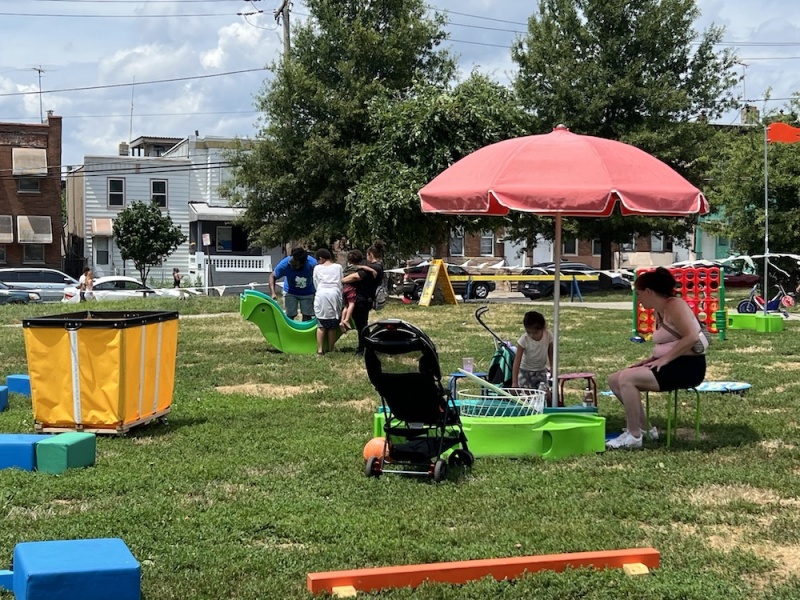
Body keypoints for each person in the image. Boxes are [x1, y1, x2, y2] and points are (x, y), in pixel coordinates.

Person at [606, 267, 707, 449]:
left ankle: (633, 435)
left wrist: (665, 359)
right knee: (614, 379)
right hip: (670, 363)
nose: (638, 299)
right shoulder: (659, 311)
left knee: (628, 379)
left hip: (687, 367)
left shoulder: (674, 305)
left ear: (649, 292)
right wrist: (649, 360)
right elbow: (666, 342)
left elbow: (691, 336)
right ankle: (646, 430)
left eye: (639, 294)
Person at [343, 240, 385, 355]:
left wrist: (341, 280)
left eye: (367, 255)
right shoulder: (378, 267)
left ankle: (364, 349)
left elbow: (355, 277)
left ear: (371, 254)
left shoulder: (374, 267)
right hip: (367, 299)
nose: (366, 258)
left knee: (362, 326)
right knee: (362, 325)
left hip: (362, 299)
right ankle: (365, 346)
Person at [269, 248, 318, 321]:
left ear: (302, 264)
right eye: (290, 264)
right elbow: (272, 276)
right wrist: (273, 293)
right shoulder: (285, 264)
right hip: (290, 292)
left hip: (308, 292)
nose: (291, 267)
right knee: (290, 315)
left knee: (307, 316)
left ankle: (304, 332)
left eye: (295, 265)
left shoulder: (313, 264)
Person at [511, 311, 553, 390]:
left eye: (535, 333)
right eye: (528, 332)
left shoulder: (548, 335)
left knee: (544, 393)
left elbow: (551, 353)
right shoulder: (524, 340)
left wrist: (552, 367)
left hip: (541, 371)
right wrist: (514, 382)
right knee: (527, 395)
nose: (532, 335)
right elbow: (517, 361)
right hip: (525, 372)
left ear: (543, 328)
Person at [312, 249, 343, 355]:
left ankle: (320, 349)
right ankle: (331, 348)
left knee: (321, 325)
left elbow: (315, 282)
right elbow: (340, 281)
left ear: (320, 258)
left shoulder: (317, 268)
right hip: (334, 294)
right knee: (332, 326)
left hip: (321, 294)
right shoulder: (338, 267)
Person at [340, 250, 377, 332]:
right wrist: (372, 270)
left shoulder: (347, 268)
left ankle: (342, 321)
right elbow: (363, 268)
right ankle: (346, 320)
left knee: (346, 305)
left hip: (345, 288)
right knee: (352, 304)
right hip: (351, 288)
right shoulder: (356, 267)